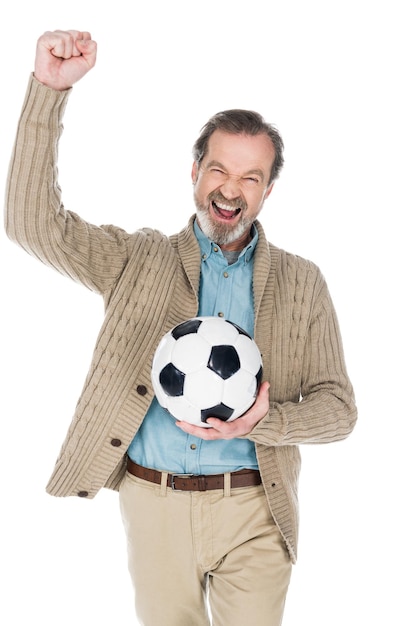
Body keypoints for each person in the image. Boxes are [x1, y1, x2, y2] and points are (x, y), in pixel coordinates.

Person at [4, 29, 357, 626]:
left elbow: (339, 409)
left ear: (268, 190)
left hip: (253, 506)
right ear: (194, 171)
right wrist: (48, 93)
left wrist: (267, 421)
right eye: (219, 169)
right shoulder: (136, 259)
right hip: (154, 504)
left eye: (250, 177)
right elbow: (31, 223)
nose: (231, 189)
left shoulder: (303, 282)